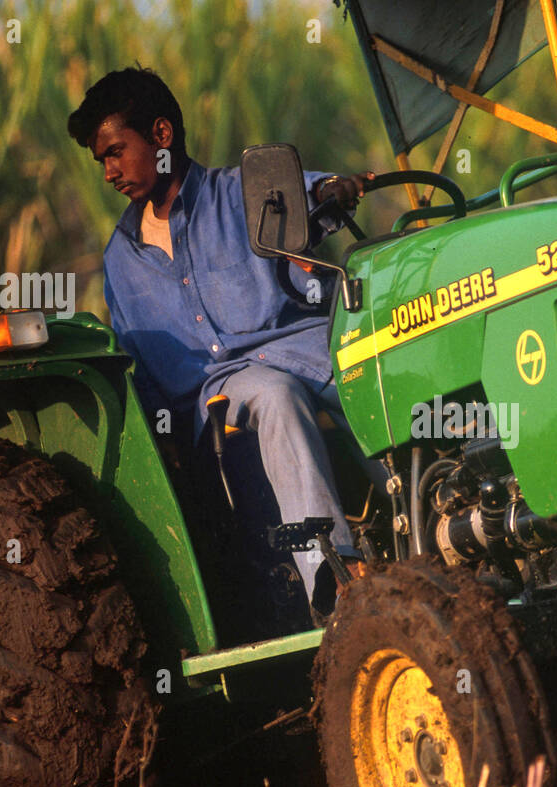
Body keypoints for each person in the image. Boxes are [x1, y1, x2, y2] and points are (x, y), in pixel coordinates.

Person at [67, 67, 373, 610]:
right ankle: (335, 582)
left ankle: (451, 523)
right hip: (223, 392)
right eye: (102, 160)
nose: (110, 172)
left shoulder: (243, 192)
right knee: (274, 393)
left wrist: (330, 190)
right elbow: (140, 368)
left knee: (374, 374)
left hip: (314, 353)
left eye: (117, 151)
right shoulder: (120, 260)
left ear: (162, 136)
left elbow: (310, 193)